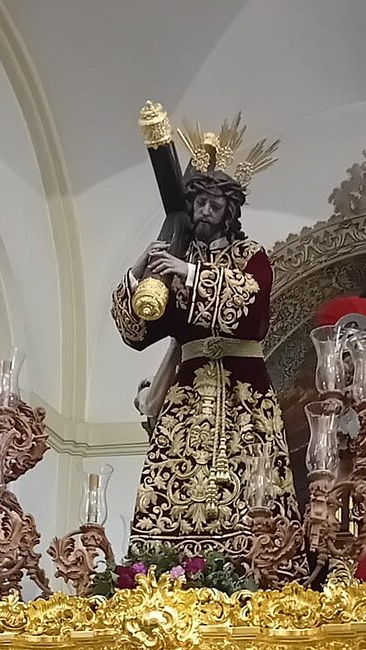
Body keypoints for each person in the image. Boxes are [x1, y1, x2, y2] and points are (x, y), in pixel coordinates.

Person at [112, 120, 297, 563]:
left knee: (254, 488)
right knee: (170, 486)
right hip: (187, 395)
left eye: (214, 203)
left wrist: (190, 273)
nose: (204, 211)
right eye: (198, 202)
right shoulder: (175, 257)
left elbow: (251, 309)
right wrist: (142, 269)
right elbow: (138, 331)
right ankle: (162, 565)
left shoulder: (251, 256)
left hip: (244, 393)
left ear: (230, 210)